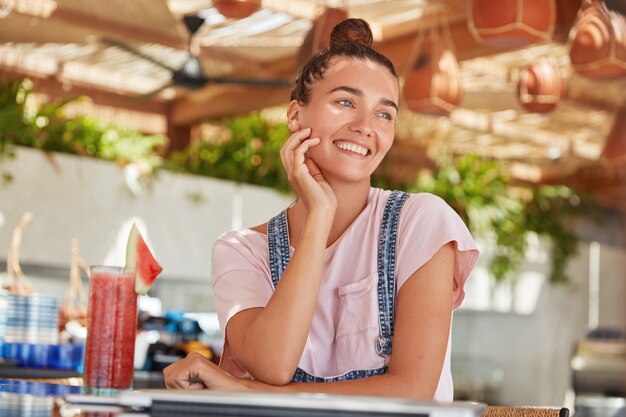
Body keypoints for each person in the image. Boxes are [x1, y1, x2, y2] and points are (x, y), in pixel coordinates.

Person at [164, 18, 479, 402]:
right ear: (296, 116)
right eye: (345, 102)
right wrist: (319, 216)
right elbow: (274, 364)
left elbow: (412, 391)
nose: (366, 126)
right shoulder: (243, 250)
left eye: (384, 113)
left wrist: (247, 390)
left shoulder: (421, 222)